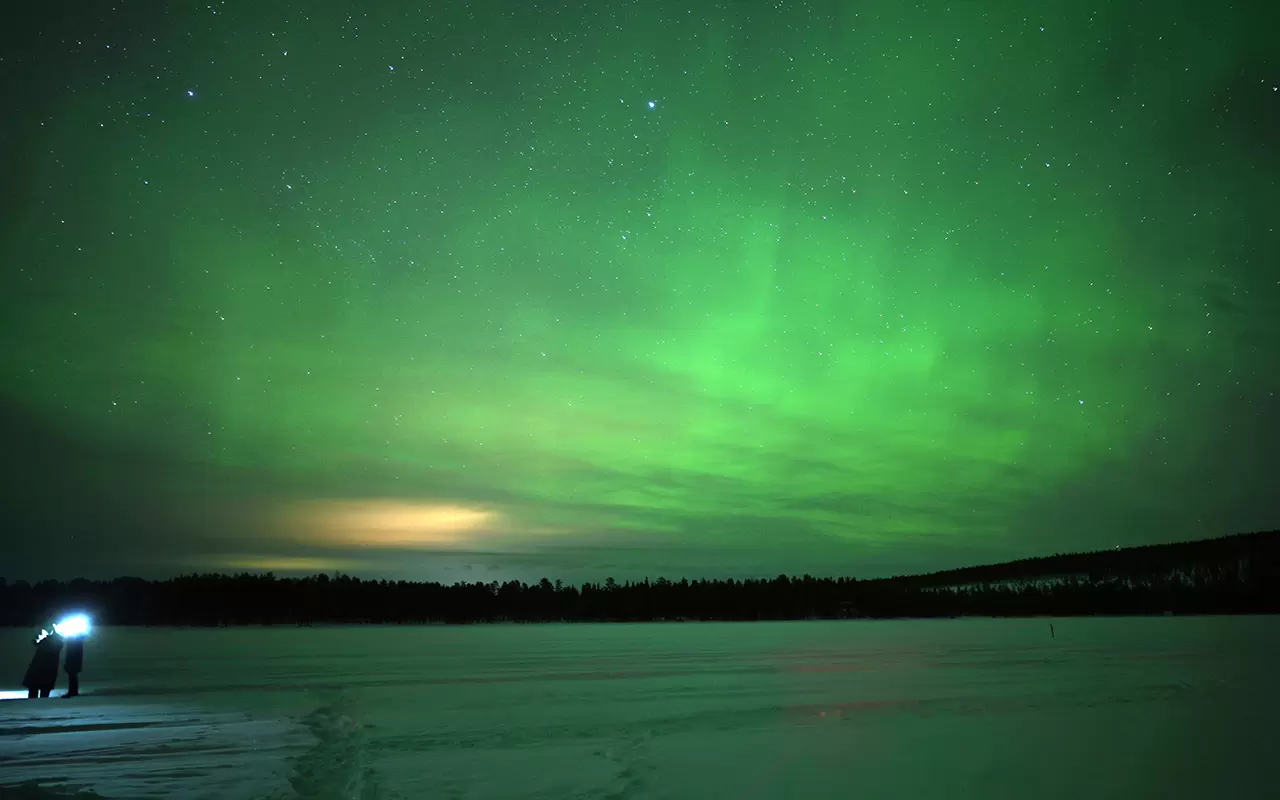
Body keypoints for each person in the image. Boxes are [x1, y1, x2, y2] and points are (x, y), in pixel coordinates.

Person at [22, 626, 65, 699]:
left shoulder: (54, 640)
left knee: (41, 689)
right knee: (37, 688)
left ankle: (36, 703)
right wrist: (40, 637)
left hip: (46, 667)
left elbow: (51, 648)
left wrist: (42, 638)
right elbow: (35, 642)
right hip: (42, 666)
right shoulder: (51, 639)